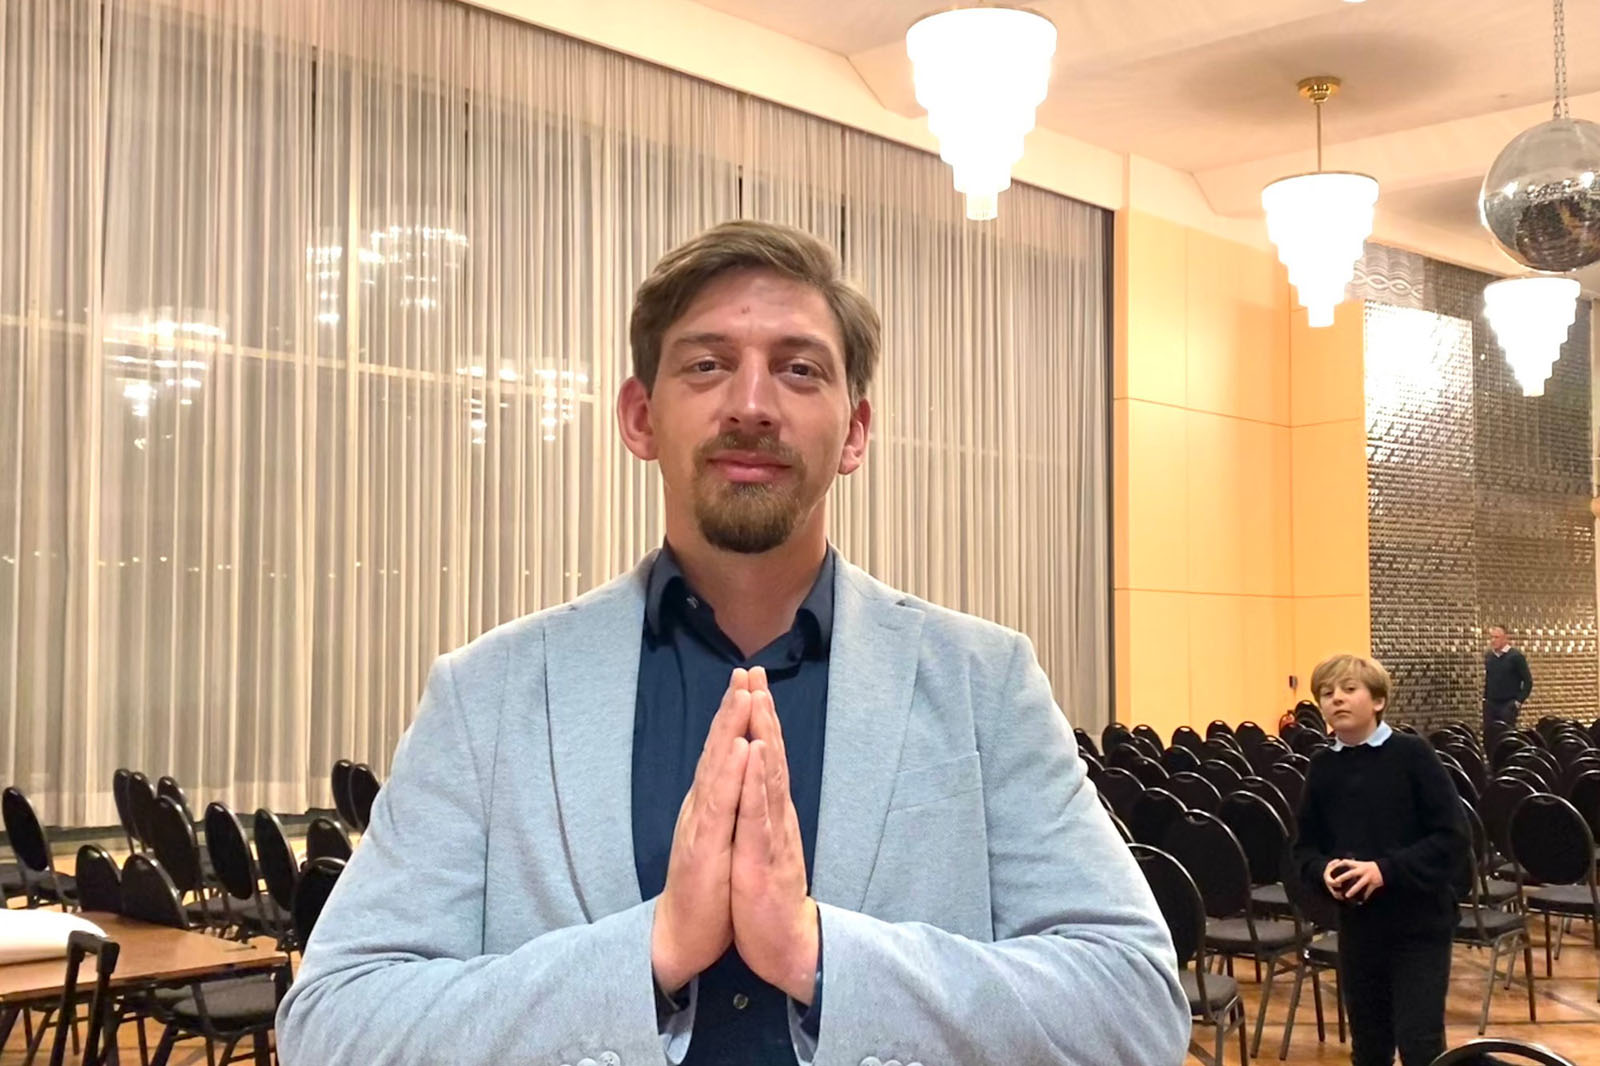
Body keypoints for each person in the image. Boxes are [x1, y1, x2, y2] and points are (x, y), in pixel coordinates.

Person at [277, 220, 1189, 1066]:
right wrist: (648, 951)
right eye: (708, 365)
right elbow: (335, 1022)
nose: (752, 404)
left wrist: (819, 955)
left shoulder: (986, 683)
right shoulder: (489, 692)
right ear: (640, 417)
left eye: (799, 370)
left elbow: (1137, 1002)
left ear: (855, 432)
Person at [1292, 654, 1468, 1066]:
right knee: (1369, 1048)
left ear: (1378, 701)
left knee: (1419, 1045)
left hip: (1419, 925)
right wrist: (1322, 871)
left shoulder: (1412, 754)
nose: (1336, 699)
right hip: (1359, 927)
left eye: (1349, 689)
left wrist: (1384, 871)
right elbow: (1303, 848)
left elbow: (1453, 837)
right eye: (1326, 693)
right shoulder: (1323, 766)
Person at [1483, 625, 1533, 734]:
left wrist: (1518, 702)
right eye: (1491, 637)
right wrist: (1485, 699)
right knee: (1490, 735)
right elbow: (1488, 679)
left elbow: (1528, 681)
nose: (1493, 640)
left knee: (1506, 735)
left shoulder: (1516, 657)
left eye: (1496, 637)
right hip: (1491, 705)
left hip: (1508, 705)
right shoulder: (1489, 657)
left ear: (1505, 638)